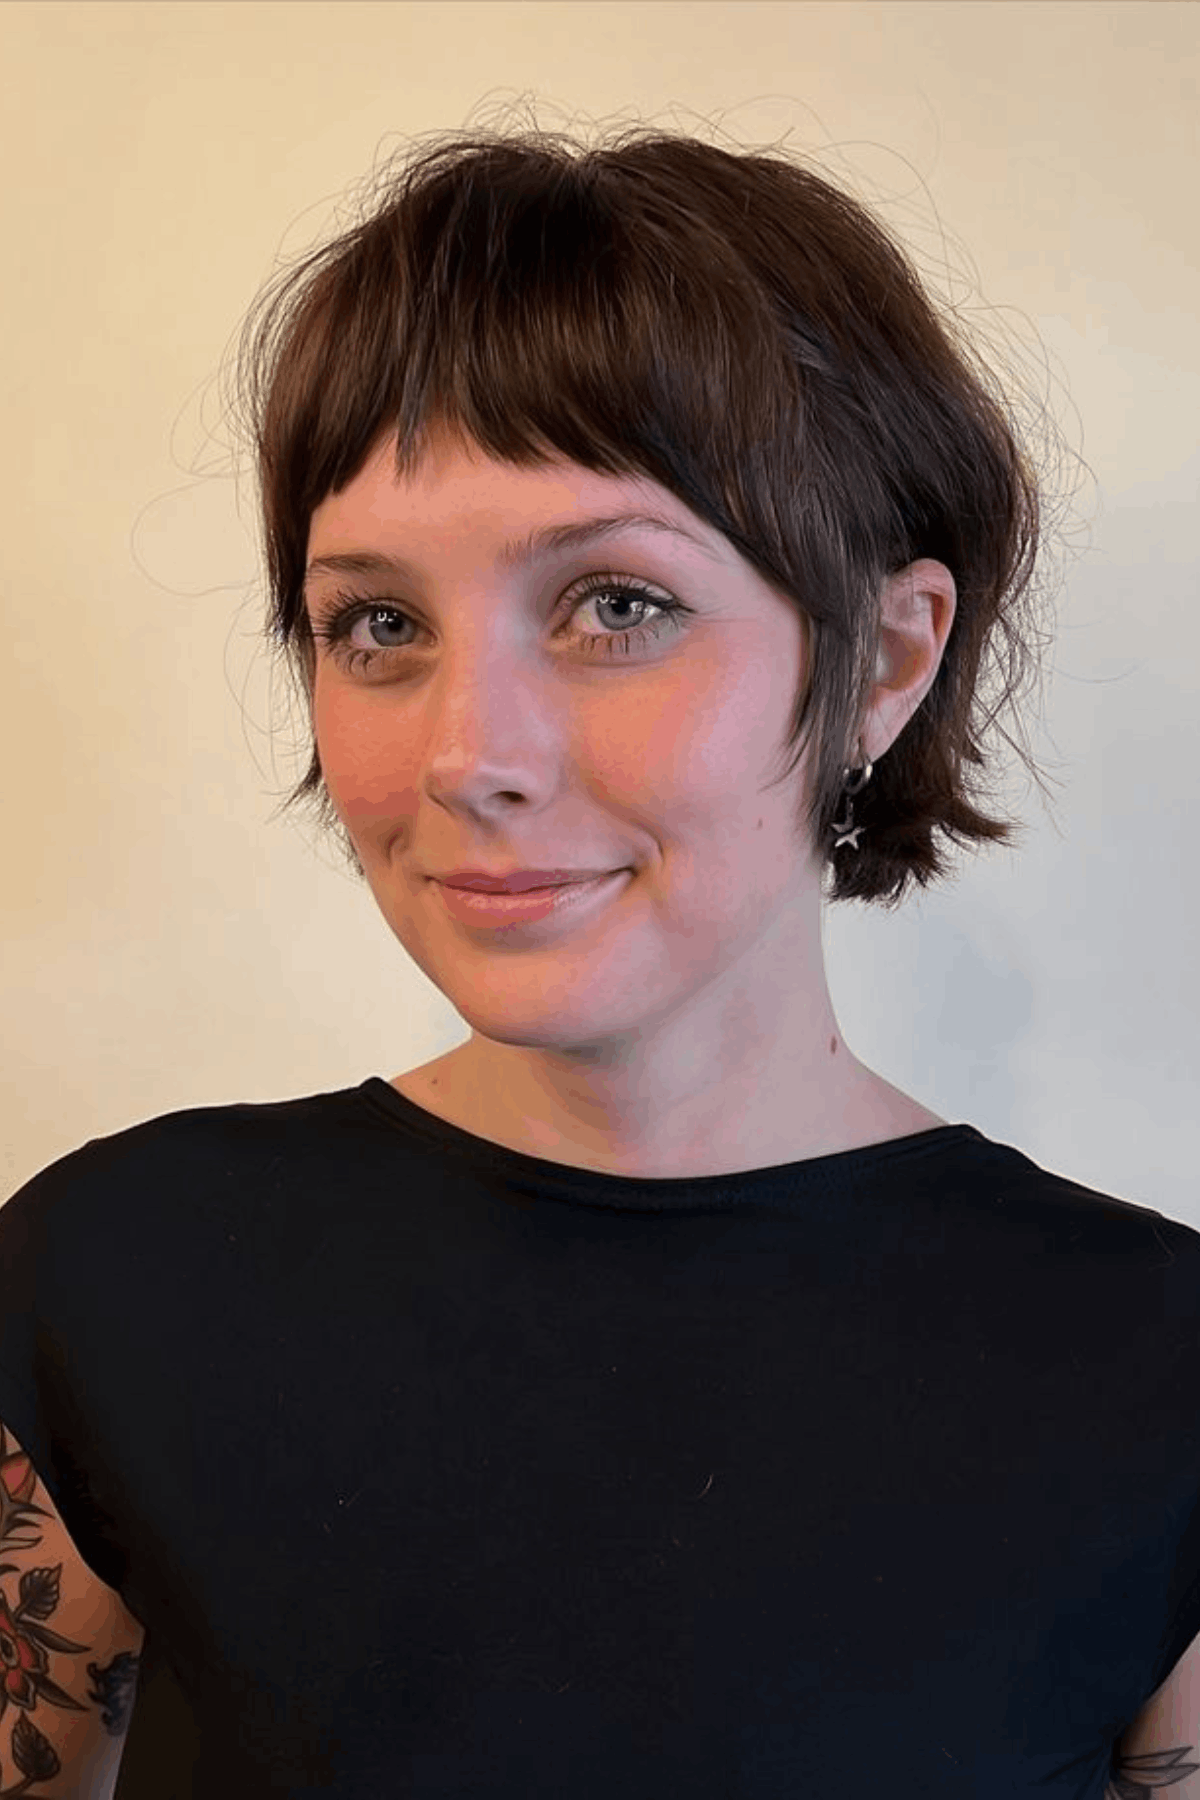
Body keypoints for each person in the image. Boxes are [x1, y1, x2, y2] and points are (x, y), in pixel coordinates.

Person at [2, 115, 1198, 1800]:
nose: (465, 755)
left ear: (886, 657)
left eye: (615, 603)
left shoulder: (1154, 1375)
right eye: (380, 624)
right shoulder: (101, 1284)